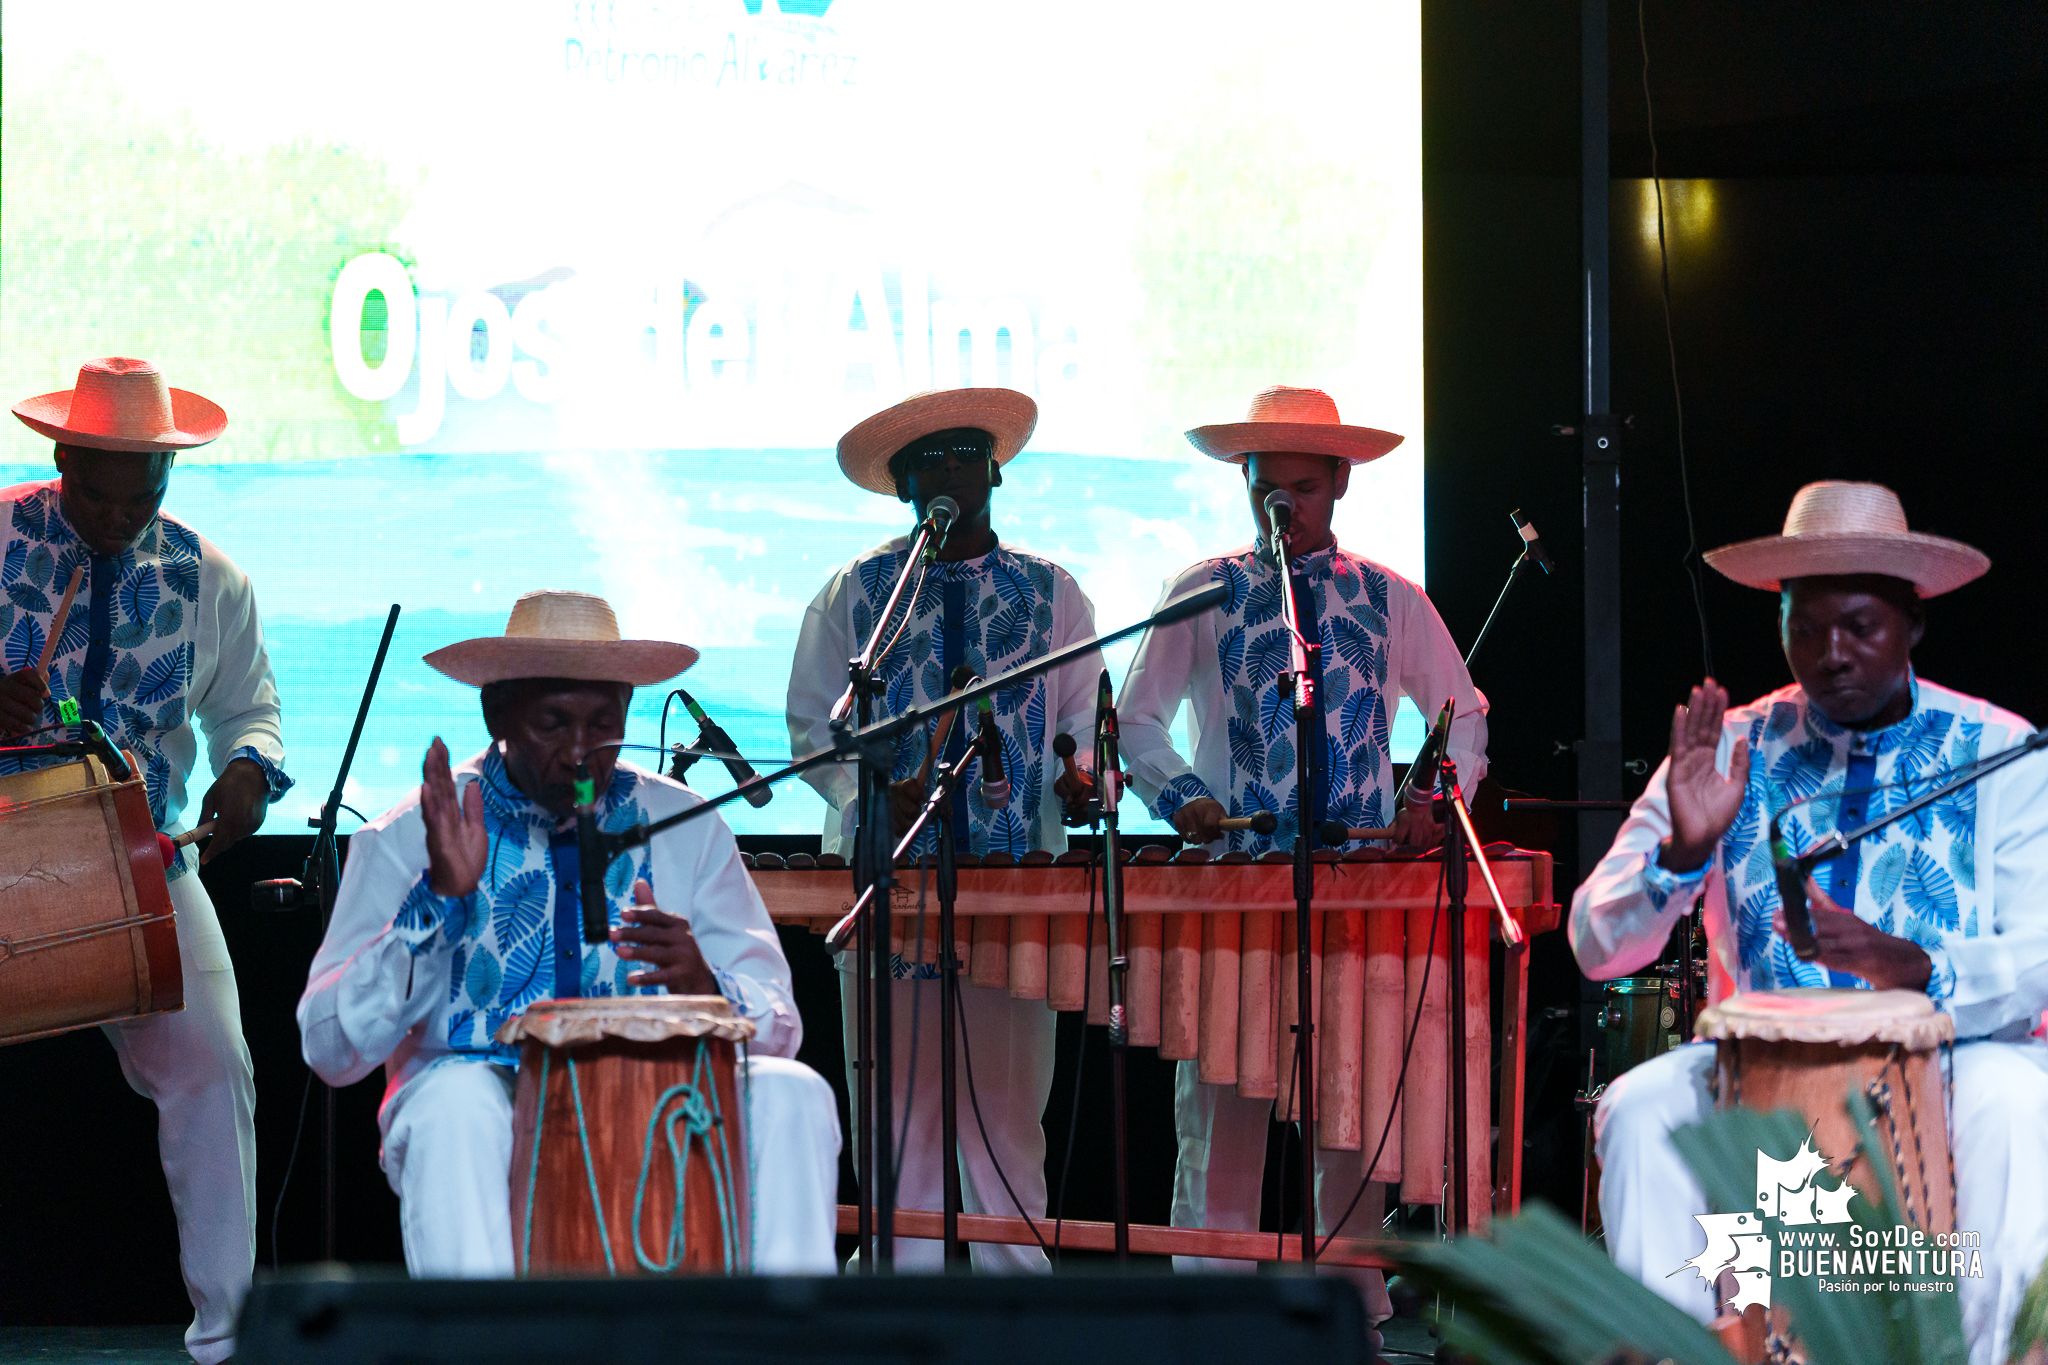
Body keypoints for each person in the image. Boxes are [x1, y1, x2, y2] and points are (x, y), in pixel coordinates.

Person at [1573, 481, 2048, 1365]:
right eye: (1804, 626)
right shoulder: (1726, 749)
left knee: (2023, 1102)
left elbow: (2038, 953)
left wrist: (1915, 967)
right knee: (1640, 1110)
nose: (1830, 654)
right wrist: (1680, 852)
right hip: (1761, 1072)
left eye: (1860, 627)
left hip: (1953, 1061)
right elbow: (1595, 944)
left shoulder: (2001, 749)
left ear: (1913, 621)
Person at [298, 591, 840, 1274]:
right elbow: (329, 1046)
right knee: (455, 1108)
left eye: (603, 724)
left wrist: (707, 984)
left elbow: (779, 1020)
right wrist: (434, 902)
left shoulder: (685, 823)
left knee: (794, 1093)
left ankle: (783, 1346)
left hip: (657, 1098)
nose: (582, 752)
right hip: (481, 1105)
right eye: (553, 722)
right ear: (497, 712)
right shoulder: (409, 835)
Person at [1118, 385, 1487, 1309]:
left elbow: (1466, 717)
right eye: (1264, 490)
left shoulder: (1393, 597)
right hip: (1231, 895)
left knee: (1351, 1128)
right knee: (1219, 1127)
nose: (1281, 506)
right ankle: (1212, 1330)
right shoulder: (1202, 589)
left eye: (1300, 489)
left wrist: (1429, 803)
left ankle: (1350, 1325)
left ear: (1340, 484)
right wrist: (1186, 797)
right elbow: (1136, 720)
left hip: (1358, 896)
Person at [0, 358, 288, 1364]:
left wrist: (248, 772)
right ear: (60, 456)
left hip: (143, 858)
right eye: (97, 491)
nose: (120, 514)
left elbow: (249, 706)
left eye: (146, 493)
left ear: (170, 472)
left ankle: (228, 1335)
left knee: (217, 1069)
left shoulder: (209, 577)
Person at [785, 388, 1102, 1271]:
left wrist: (1084, 782)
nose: (950, 471)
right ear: (901, 489)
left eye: (965, 453)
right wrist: (865, 796)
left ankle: (1015, 1325)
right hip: (889, 890)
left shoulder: (1052, 592)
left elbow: (1085, 721)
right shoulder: (858, 592)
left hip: (1014, 891)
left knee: (1006, 1131)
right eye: (927, 460)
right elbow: (813, 722)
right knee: (897, 1137)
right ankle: (897, 1323)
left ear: (994, 469)